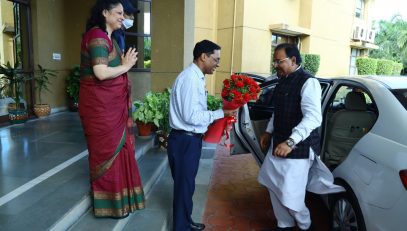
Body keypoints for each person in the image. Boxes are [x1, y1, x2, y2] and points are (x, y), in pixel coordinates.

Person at [257, 43, 344, 231]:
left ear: (293, 60)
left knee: (291, 196)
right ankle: (284, 224)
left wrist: (290, 141)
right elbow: (277, 112)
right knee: (273, 185)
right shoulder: (282, 80)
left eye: (279, 61)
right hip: (277, 144)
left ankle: (305, 226)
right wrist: (268, 131)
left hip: (297, 149)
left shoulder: (308, 82)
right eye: (274, 61)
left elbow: (313, 118)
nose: (275, 65)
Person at [79, 0, 144, 218]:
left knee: (120, 152)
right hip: (101, 110)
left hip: (112, 108)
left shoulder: (108, 38)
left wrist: (124, 65)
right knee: (107, 154)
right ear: (105, 13)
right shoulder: (97, 36)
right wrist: (126, 66)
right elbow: (100, 72)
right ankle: (110, 206)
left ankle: (121, 202)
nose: (122, 17)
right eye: (118, 13)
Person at [167, 39, 237, 231]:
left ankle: (186, 221)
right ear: (203, 56)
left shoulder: (196, 77)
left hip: (189, 140)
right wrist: (221, 113)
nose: (218, 64)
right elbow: (191, 116)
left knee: (187, 186)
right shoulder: (190, 79)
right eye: (215, 59)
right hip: (184, 140)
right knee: (184, 187)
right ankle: (181, 227)